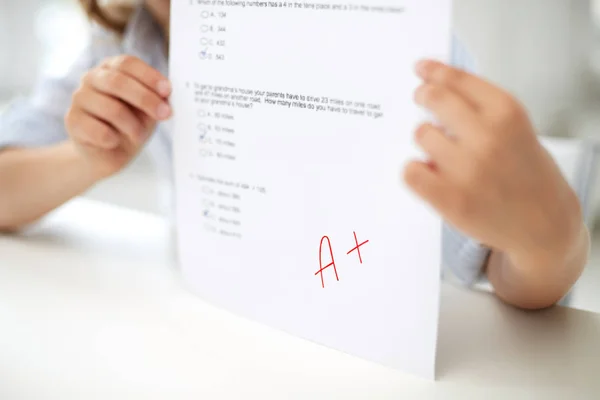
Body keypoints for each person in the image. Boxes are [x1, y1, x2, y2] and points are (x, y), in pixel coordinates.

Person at [0, 0, 589, 310]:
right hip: (208, 339)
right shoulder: (125, 40)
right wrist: (85, 158)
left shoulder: (372, 30)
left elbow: (499, 267)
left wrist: (552, 240)